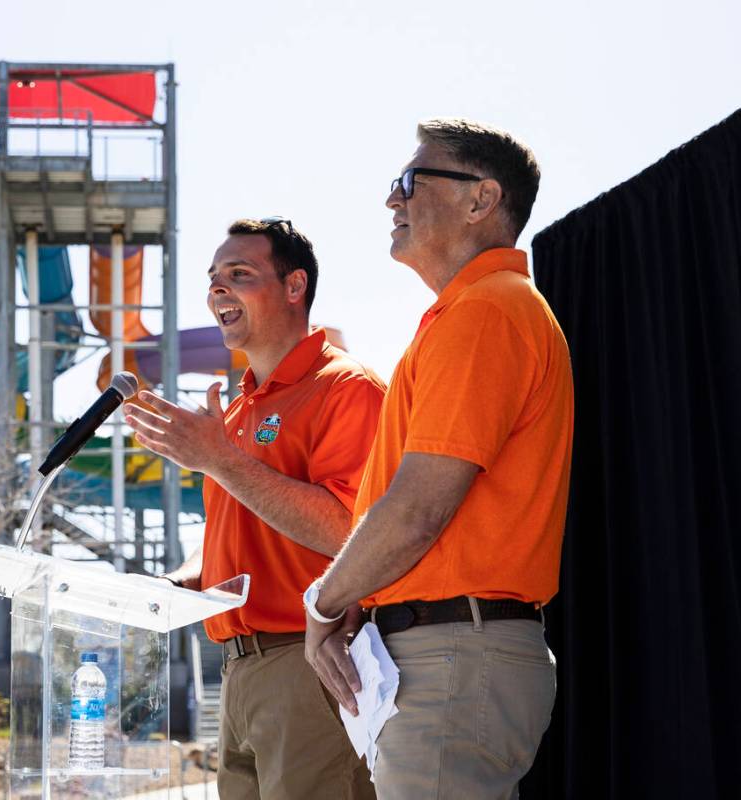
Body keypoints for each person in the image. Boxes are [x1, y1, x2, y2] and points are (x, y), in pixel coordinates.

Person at [303, 119, 574, 799]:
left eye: (407, 183)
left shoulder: (486, 311)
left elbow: (420, 508)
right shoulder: (477, 311)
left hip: (451, 657)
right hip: (447, 656)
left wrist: (323, 607)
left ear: (480, 199)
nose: (390, 201)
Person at [125, 218, 386, 799]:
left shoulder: (348, 388)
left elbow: (354, 532)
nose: (218, 288)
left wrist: (219, 460)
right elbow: (241, 540)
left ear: (295, 287)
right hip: (238, 672)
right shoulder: (238, 409)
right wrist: (175, 584)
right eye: (213, 278)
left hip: (310, 664)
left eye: (238, 274)